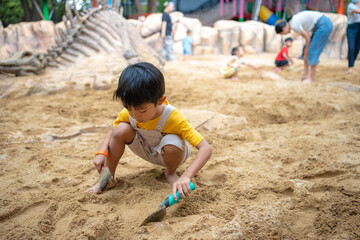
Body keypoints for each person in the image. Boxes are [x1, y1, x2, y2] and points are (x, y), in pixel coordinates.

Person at [85, 62, 212, 201]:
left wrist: (186, 176)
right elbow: (113, 130)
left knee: (172, 143)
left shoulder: (174, 118)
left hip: (172, 154)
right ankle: (108, 179)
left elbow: (205, 148)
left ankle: (170, 173)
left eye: (142, 111)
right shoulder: (131, 112)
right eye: (129, 109)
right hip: (146, 148)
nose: (134, 115)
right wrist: (102, 151)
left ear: (160, 100)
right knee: (121, 128)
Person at [275, 11, 333, 83]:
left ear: (284, 28)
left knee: (311, 52)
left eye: (282, 33)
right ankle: (305, 75)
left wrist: (306, 50)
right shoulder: (293, 23)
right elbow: (306, 35)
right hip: (320, 26)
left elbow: (307, 37)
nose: (284, 34)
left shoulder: (293, 25)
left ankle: (311, 78)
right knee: (305, 53)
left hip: (323, 25)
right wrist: (305, 51)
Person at [346, 0, 360, 74]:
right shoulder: (351, 5)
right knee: (351, 47)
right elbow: (357, 11)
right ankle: (350, 67)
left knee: (357, 48)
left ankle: (352, 64)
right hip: (352, 28)